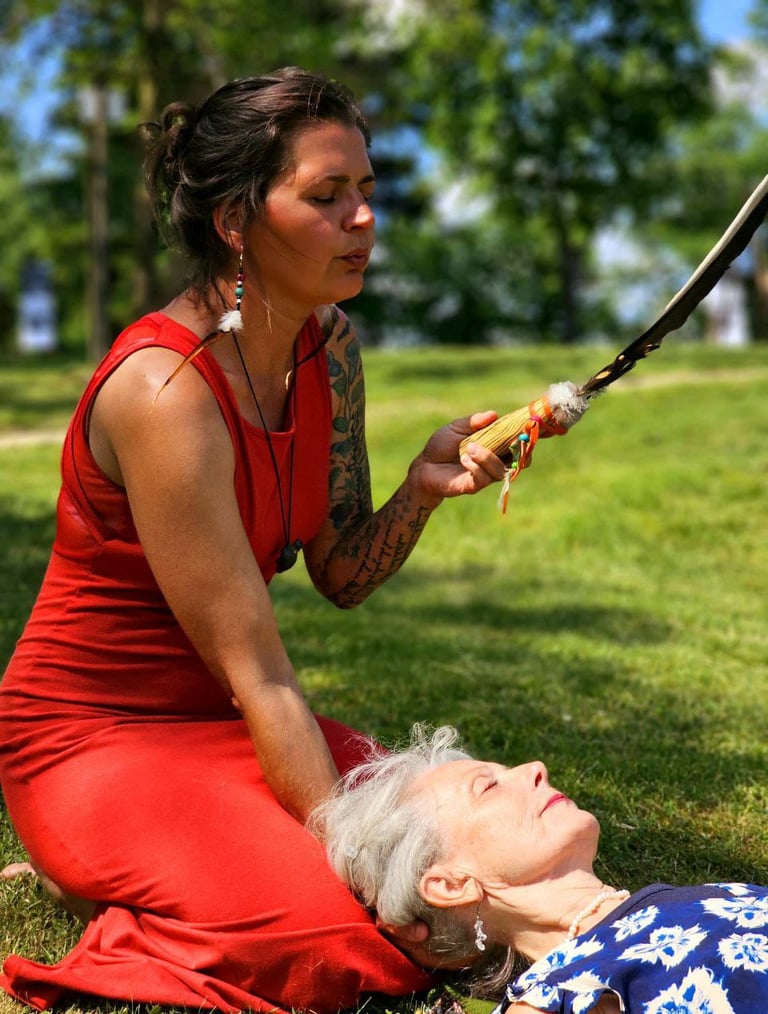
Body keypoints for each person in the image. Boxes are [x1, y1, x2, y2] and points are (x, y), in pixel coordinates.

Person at [0, 68, 508, 1013]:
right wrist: (349, 865)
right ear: (237, 221)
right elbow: (261, 673)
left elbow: (342, 572)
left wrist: (422, 489)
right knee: (342, 928)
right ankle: (113, 886)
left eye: (365, 189)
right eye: (325, 196)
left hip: (225, 729)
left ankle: (183, 874)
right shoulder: (166, 391)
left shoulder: (332, 347)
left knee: (465, 852)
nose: (363, 219)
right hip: (93, 740)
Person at [314, 724, 768, 1013]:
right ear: (451, 884)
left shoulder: (719, 893)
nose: (535, 767)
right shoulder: (558, 994)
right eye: (488, 787)